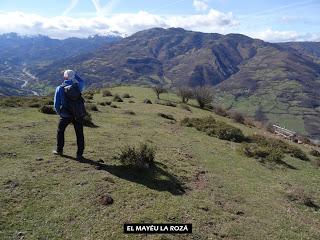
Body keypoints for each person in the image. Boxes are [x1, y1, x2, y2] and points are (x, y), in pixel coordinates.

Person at [53, 69, 85, 160]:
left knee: (60, 131)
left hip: (65, 114)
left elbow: (56, 104)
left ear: (64, 77)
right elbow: (82, 81)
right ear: (73, 77)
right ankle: (79, 154)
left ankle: (59, 150)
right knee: (79, 133)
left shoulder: (59, 88)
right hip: (78, 114)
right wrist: (75, 75)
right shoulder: (78, 86)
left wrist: (60, 113)